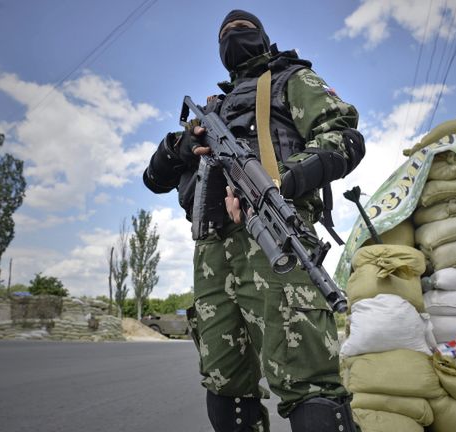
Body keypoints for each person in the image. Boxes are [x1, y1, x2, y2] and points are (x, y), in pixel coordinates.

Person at [143, 9, 365, 432]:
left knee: (307, 377)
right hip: (211, 251)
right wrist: (182, 148)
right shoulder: (210, 112)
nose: (232, 35)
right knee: (224, 381)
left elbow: (343, 136)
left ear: (263, 38)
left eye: (243, 30)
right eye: (224, 33)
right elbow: (153, 179)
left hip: (274, 235)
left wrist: (279, 182)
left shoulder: (290, 80)